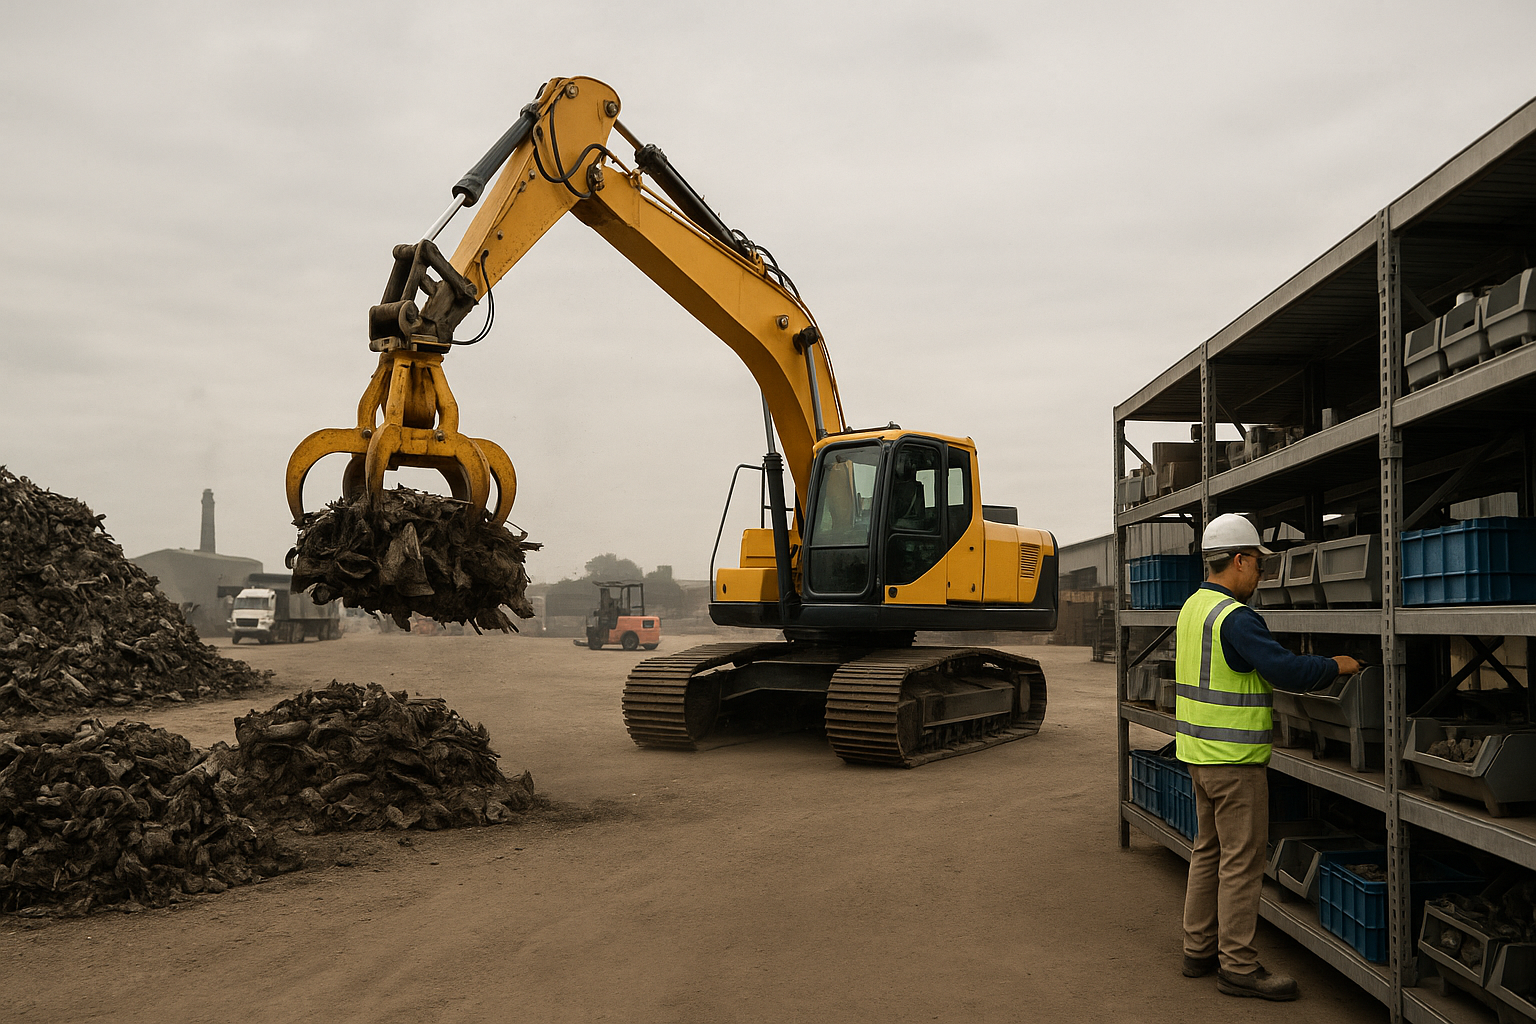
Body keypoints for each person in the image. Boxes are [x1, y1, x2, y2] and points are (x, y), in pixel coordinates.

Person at [1175, 513, 1362, 1001]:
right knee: (1241, 862)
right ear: (1239, 560)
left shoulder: (1193, 607)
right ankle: (1237, 966)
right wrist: (1336, 664)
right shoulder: (1236, 618)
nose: (1260, 575)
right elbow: (1286, 670)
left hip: (1199, 755)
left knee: (1208, 851)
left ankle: (1198, 949)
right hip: (1234, 762)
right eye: (1258, 564)